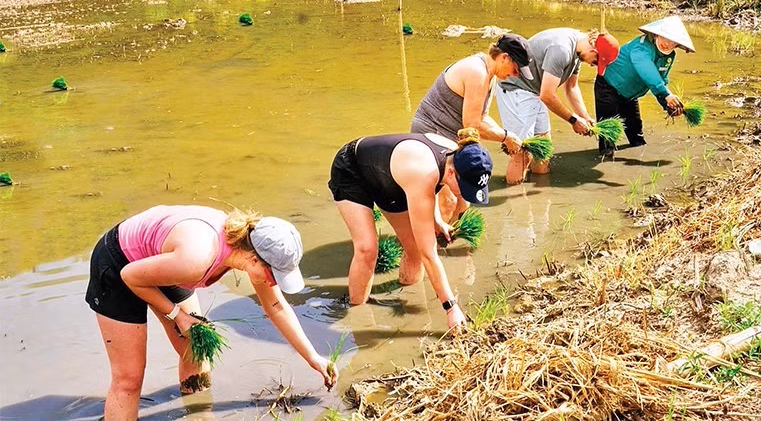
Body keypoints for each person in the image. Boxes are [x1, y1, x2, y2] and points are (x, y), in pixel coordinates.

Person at [85, 205, 337, 420]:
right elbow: (131, 277)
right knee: (129, 378)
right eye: (274, 275)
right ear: (255, 260)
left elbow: (277, 306)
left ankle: (200, 415)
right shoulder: (197, 258)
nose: (274, 283)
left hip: (163, 260)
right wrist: (178, 316)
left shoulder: (249, 248)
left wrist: (314, 358)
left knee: (196, 351)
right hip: (120, 265)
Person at [328, 127, 492, 329]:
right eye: (466, 188)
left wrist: (437, 220)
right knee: (367, 248)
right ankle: (359, 317)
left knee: (413, 249)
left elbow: (430, 191)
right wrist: (451, 307)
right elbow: (429, 254)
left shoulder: (457, 154)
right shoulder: (424, 172)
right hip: (353, 170)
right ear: (451, 172)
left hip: (390, 180)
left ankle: (408, 304)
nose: (465, 195)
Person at [411, 33, 533, 220]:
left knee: (463, 202)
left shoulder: (488, 73)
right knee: (448, 202)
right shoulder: (477, 72)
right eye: (515, 69)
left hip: (450, 136)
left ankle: (448, 242)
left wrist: (508, 135)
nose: (514, 75)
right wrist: (506, 137)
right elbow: (472, 124)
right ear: (504, 57)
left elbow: (482, 116)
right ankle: (431, 247)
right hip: (432, 135)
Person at [496, 28, 620, 182]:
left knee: (543, 150)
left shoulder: (578, 51)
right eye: (595, 61)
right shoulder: (561, 50)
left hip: (535, 91)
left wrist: (585, 117)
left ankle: (540, 196)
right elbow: (547, 95)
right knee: (522, 153)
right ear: (593, 50)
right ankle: (516, 200)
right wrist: (573, 120)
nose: (593, 65)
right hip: (516, 89)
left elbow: (572, 87)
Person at [595, 15, 694, 157]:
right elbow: (648, 72)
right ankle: (607, 159)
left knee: (637, 135)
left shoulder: (669, 57)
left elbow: (661, 79)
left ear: (677, 44)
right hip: (608, 88)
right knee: (608, 136)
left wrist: (668, 104)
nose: (667, 43)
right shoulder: (641, 47)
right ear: (657, 34)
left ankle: (637, 156)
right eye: (665, 37)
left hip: (630, 95)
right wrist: (666, 94)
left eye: (672, 42)